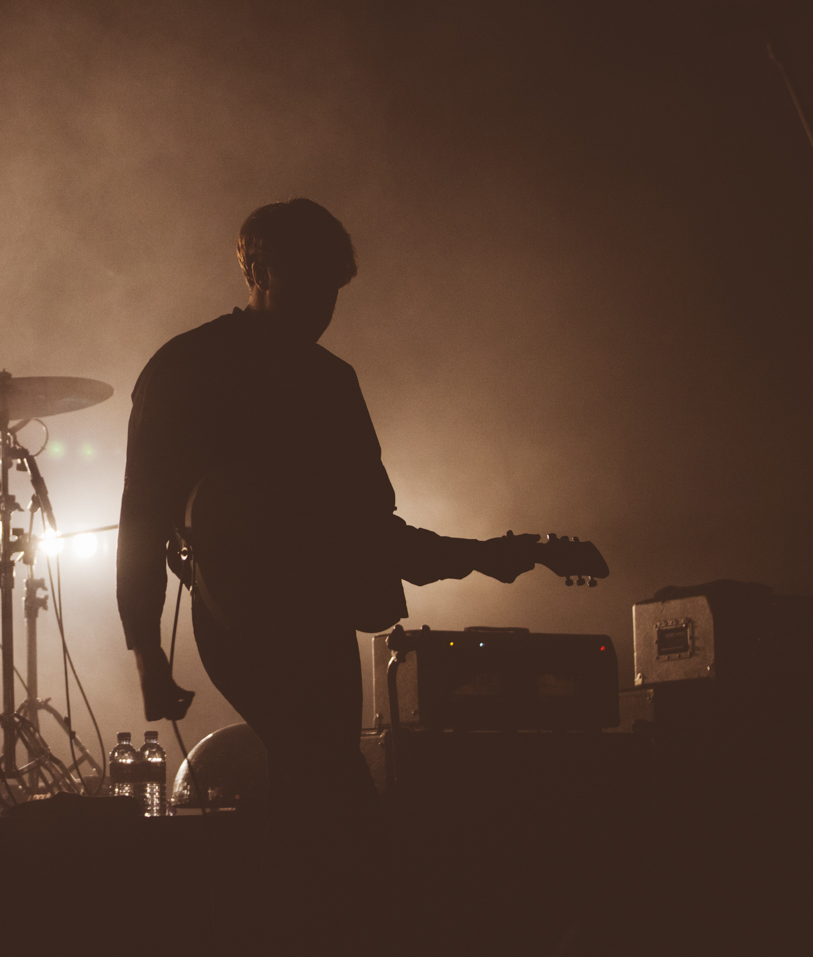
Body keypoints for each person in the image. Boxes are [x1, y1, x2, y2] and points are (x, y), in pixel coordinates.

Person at [115, 198, 539, 826]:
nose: (322, 303)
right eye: (307, 280)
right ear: (257, 271)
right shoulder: (188, 367)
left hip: (322, 617)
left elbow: (368, 529)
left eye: (332, 287)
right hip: (244, 619)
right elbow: (142, 515)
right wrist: (147, 650)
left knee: (311, 795)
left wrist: (479, 558)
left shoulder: (332, 381)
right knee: (338, 792)